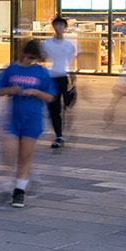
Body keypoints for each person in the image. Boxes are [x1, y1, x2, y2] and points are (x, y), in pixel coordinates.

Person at [0, 40, 55, 208]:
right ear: (23, 53)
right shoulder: (11, 69)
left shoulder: (42, 72)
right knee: (9, 154)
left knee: (25, 156)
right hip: (12, 118)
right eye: (28, 57)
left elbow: (50, 96)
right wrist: (10, 90)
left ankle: (19, 191)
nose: (29, 61)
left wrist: (36, 92)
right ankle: (7, 184)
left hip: (32, 118)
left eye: (33, 58)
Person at [41, 17, 78, 151]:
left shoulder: (69, 45)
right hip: (51, 78)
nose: (59, 28)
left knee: (66, 104)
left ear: (65, 27)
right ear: (53, 27)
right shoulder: (46, 43)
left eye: (61, 25)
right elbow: (43, 59)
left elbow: (71, 62)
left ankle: (70, 97)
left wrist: (73, 78)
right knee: (54, 108)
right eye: (56, 25)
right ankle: (59, 135)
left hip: (63, 76)